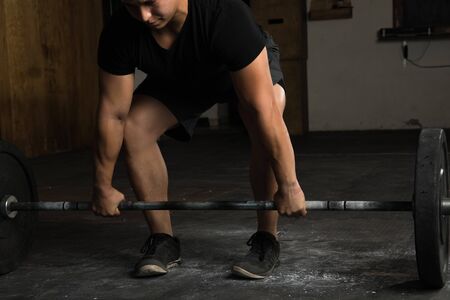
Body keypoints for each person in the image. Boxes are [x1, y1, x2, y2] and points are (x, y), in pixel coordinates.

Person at [91, 0, 307, 279]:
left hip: (237, 73)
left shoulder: (225, 14)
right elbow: (113, 114)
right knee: (134, 126)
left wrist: (289, 184)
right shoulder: (120, 30)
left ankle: (266, 238)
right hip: (181, 76)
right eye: (134, 6)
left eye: (150, 3)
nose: (144, 16)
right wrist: (102, 185)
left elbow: (262, 108)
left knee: (267, 111)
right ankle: (163, 240)